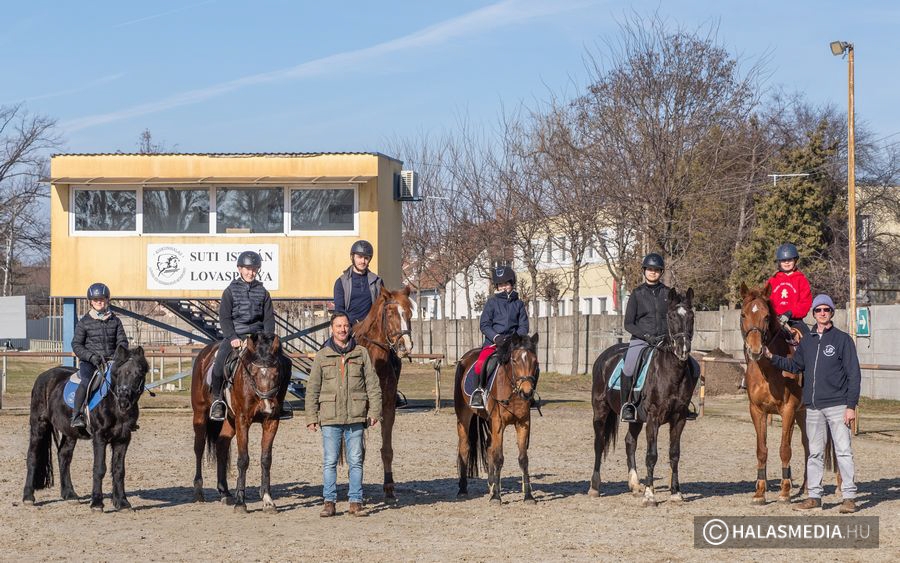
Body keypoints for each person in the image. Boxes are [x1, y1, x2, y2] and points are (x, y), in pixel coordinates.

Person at [764, 294, 860, 514]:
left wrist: (850, 406)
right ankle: (814, 497)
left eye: (826, 309)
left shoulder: (842, 340)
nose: (822, 313)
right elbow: (795, 366)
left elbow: (854, 375)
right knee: (814, 453)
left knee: (843, 451)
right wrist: (770, 357)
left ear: (832, 312)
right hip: (813, 407)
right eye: (818, 310)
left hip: (837, 405)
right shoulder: (807, 341)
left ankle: (849, 497)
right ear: (814, 314)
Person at [306, 312, 382, 517]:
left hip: (356, 416)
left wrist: (375, 410)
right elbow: (313, 387)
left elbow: (373, 384)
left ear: (350, 328)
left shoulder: (361, 353)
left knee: (355, 460)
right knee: (330, 461)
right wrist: (311, 416)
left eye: (346, 326)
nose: (342, 329)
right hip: (330, 417)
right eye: (338, 326)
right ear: (332, 328)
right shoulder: (322, 355)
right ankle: (329, 501)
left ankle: (355, 501)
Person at [209, 251, 275, 421]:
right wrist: (232, 337)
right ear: (239, 268)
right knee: (219, 362)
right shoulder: (230, 291)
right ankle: (217, 400)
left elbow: (268, 318)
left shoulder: (263, 292)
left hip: (258, 337)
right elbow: (224, 317)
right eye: (247, 269)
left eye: (254, 269)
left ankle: (278, 400)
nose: (250, 272)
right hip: (235, 335)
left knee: (281, 362)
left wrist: (267, 340)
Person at [739, 242, 813, 390]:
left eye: (790, 260)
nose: (786, 263)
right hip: (774, 319)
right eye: (783, 260)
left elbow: (806, 302)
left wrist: (791, 313)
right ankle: (749, 373)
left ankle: (810, 377)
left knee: (809, 341)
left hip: (794, 320)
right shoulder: (773, 280)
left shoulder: (801, 279)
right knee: (754, 339)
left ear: (795, 260)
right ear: (779, 262)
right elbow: (765, 301)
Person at [469, 265, 529, 410]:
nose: (503, 287)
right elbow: (484, 324)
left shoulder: (519, 304)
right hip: (493, 343)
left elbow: (524, 326)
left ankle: (529, 394)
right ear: (497, 286)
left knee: (532, 364)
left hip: (514, 345)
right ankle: (479, 392)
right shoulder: (492, 303)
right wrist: (496, 337)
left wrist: (515, 339)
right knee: (481, 363)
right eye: (500, 284)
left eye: (506, 284)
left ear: (512, 284)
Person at [70, 283, 128, 428]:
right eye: (96, 300)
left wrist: (118, 355)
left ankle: (128, 416)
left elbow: (122, 341)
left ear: (107, 300)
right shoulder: (84, 322)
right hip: (90, 362)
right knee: (86, 382)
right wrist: (90, 357)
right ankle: (76, 415)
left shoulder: (115, 320)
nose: (99, 302)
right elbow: (76, 345)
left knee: (127, 382)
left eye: (101, 299)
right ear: (91, 301)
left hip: (112, 361)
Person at [620, 253, 670, 423]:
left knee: (690, 365)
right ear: (644, 271)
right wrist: (647, 336)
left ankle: (683, 403)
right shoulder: (637, 294)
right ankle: (627, 405)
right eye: (650, 269)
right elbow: (628, 323)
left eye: (656, 270)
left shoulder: (668, 293)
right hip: (641, 340)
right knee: (628, 367)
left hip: (664, 341)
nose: (653, 272)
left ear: (661, 272)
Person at [333, 240, 384, 327]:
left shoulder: (377, 281)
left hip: (371, 328)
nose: (363, 261)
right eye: (359, 257)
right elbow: (339, 311)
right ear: (352, 257)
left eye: (366, 258)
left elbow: (382, 307)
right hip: (349, 328)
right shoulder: (341, 282)